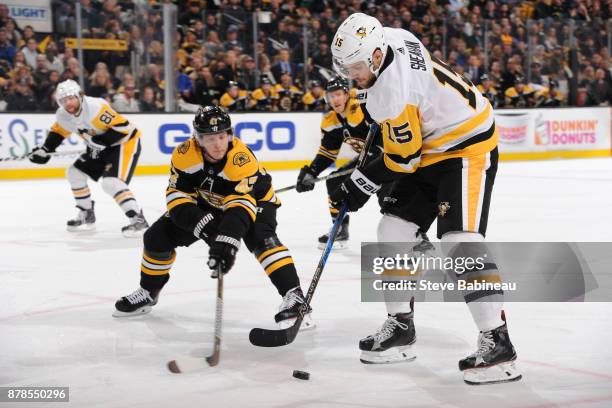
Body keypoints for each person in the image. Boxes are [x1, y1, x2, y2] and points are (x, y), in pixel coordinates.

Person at [330, 13, 520, 385]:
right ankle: (401, 326)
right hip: (432, 144)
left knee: (460, 242)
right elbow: (403, 138)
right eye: (345, 67)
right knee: (393, 232)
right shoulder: (394, 37)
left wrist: (360, 183)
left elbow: (403, 159)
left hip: (466, 146)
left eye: (354, 67)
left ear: (375, 56)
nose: (350, 76)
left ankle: (499, 344)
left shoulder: (392, 94)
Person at [113, 106, 314, 331]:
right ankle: (149, 292)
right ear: (198, 139)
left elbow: (240, 206)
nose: (218, 144)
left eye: (221, 136)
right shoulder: (184, 154)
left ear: (230, 135)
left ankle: (295, 298)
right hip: (209, 202)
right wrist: (207, 228)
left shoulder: (241, 160)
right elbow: (177, 198)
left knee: (261, 239)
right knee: (156, 237)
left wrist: (225, 242)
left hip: (255, 201)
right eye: (210, 138)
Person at [28, 79, 148, 236]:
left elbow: (125, 128)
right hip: (98, 146)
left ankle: (138, 220)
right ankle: (86, 213)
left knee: (111, 183)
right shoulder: (63, 115)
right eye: (63, 100)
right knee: (74, 173)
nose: (68, 103)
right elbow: (58, 132)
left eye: (71, 98)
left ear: (80, 95)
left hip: (124, 143)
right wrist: (44, 150)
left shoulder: (95, 108)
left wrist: (101, 141)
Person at [295, 76, 374, 249]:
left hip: (387, 157)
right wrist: (311, 172)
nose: (335, 99)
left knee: (389, 197)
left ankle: (407, 235)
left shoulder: (363, 105)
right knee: (334, 181)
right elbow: (327, 153)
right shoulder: (332, 121)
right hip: (365, 159)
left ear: (347, 94)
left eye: (338, 94)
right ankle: (340, 229)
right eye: (331, 96)